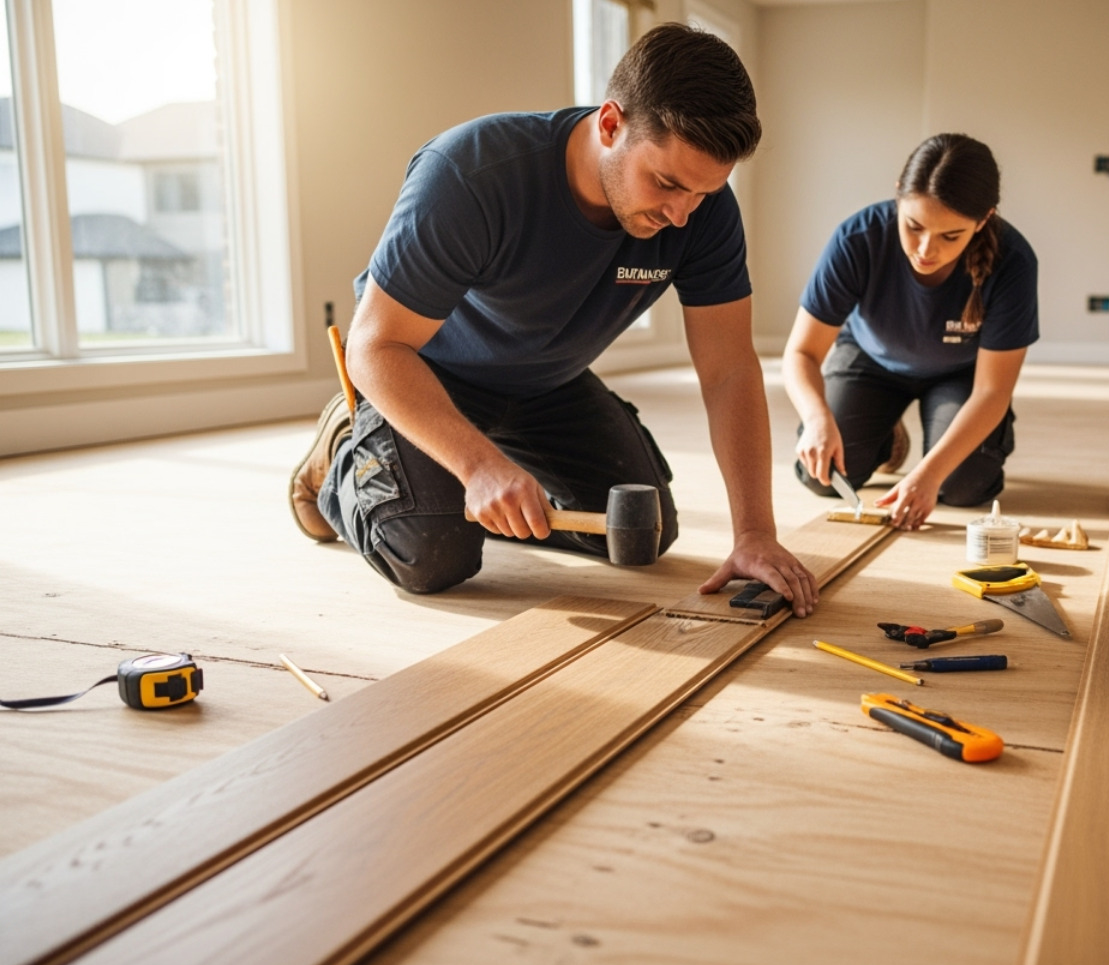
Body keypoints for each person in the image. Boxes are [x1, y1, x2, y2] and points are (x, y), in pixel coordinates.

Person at [289, 24, 817, 615]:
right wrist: (478, 465)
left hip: (548, 383)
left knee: (641, 534)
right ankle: (346, 454)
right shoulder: (472, 175)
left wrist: (754, 534)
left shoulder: (701, 211)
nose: (680, 214)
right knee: (432, 553)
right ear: (611, 123)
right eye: (666, 183)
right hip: (428, 375)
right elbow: (375, 347)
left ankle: (451, 486)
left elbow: (728, 370)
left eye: (702, 192)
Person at [782, 134, 1038, 531]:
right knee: (821, 476)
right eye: (913, 226)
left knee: (963, 486)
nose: (924, 249)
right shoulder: (857, 238)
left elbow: (992, 392)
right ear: (898, 196)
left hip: (961, 374)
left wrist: (929, 475)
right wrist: (816, 419)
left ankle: (935, 449)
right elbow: (801, 353)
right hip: (871, 359)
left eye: (950, 236)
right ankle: (884, 435)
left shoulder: (1014, 262)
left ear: (983, 219)